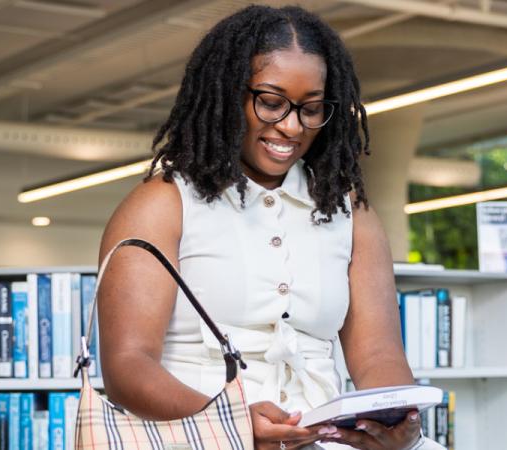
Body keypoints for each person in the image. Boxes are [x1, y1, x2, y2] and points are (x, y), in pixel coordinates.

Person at [97, 5, 442, 450]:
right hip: (197, 435)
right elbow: (128, 365)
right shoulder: (162, 203)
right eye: (271, 102)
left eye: (311, 109)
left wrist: (394, 422)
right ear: (226, 94)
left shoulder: (351, 213)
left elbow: (378, 355)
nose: (292, 126)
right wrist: (232, 422)